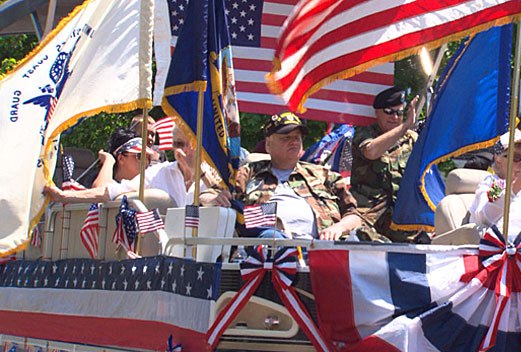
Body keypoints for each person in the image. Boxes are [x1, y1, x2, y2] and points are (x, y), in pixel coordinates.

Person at [205, 112, 361, 241]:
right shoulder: (249, 173)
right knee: (269, 237)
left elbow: (354, 216)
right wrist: (215, 198)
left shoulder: (324, 175)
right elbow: (208, 196)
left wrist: (338, 228)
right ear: (268, 145)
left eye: (297, 138)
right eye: (285, 138)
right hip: (268, 250)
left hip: (321, 250)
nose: (293, 142)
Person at [45, 126, 219, 208]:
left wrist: (200, 172)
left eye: (191, 144)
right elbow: (111, 192)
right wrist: (64, 195)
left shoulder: (213, 175)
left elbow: (229, 198)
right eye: (178, 144)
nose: (184, 150)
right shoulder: (159, 172)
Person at [350, 86, 420, 242]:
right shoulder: (365, 133)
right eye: (389, 111)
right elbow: (371, 152)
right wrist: (405, 125)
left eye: (399, 113)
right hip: (368, 210)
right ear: (377, 112)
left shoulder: (412, 139)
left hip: (400, 213)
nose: (395, 117)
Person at [91, 128, 158, 187]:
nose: (146, 163)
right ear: (121, 158)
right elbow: (98, 194)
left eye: (148, 159)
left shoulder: (148, 187)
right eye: (139, 156)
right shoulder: (108, 184)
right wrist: (109, 160)